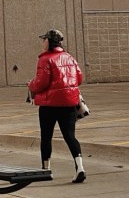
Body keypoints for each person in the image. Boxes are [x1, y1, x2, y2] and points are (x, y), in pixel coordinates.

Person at [27, 28, 86, 184]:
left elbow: (41, 83)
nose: (42, 42)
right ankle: (80, 167)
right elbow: (79, 78)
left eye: (44, 39)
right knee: (70, 136)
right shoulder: (70, 57)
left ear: (49, 41)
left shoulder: (45, 59)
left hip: (49, 105)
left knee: (46, 136)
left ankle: (46, 170)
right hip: (69, 104)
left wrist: (31, 84)